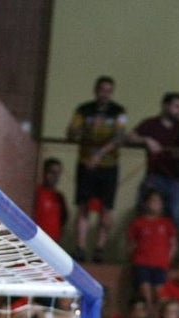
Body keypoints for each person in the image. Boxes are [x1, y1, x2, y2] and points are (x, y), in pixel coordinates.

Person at [66, 75, 128, 261]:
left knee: (106, 208)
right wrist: (83, 129)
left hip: (109, 166)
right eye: (102, 90)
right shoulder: (84, 110)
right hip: (86, 165)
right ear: (96, 91)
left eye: (109, 91)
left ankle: (100, 248)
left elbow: (120, 136)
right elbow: (72, 132)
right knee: (83, 205)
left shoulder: (118, 111)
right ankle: (81, 247)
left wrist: (99, 154)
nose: (105, 94)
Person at [126, 91, 179, 225]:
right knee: (144, 208)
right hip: (155, 175)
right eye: (176, 106)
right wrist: (146, 140)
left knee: (175, 214)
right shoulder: (151, 124)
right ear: (165, 106)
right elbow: (130, 137)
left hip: (177, 179)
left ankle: (171, 244)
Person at [127, 190, 179, 313]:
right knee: (145, 291)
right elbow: (130, 244)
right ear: (146, 203)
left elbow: (174, 244)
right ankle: (147, 314)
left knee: (160, 292)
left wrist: (168, 259)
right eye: (152, 201)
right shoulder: (138, 222)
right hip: (142, 262)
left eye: (158, 202)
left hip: (160, 263)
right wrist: (132, 258)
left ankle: (157, 317)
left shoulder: (167, 223)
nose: (155, 204)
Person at [33, 157, 68, 243]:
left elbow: (63, 219)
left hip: (53, 244)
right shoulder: (36, 193)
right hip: (36, 242)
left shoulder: (59, 197)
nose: (55, 177)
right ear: (44, 173)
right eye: (52, 173)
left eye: (58, 174)